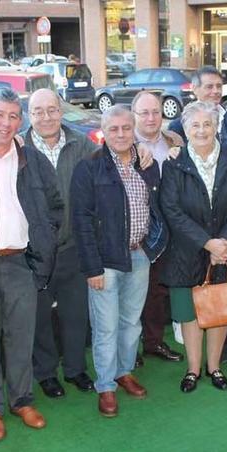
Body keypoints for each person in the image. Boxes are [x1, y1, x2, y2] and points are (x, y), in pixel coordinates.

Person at [0, 88, 64, 440]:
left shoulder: (34, 160)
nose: (6, 123)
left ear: (20, 121)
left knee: (21, 337)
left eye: (13, 116)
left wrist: (43, 249)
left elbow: (54, 208)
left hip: (23, 264)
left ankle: (22, 400)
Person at [70, 105, 168, 417]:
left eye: (127, 128)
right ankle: (106, 386)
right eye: (114, 129)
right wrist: (92, 267)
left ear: (134, 129)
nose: (121, 134)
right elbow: (81, 221)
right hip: (105, 261)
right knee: (106, 327)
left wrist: (153, 246)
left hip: (140, 255)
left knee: (131, 322)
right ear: (104, 132)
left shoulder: (146, 164)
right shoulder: (89, 168)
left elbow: (157, 206)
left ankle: (124, 372)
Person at [160, 100, 227, 392]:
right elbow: (171, 209)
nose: (202, 130)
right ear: (185, 129)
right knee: (190, 312)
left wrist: (225, 242)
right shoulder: (174, 163)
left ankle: (214, 367)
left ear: (217, 127)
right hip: (188, 251)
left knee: (219, 309)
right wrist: (207, 243)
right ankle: (193, 369)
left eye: (207, 124)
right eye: (195, 125)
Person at [24, 88, 98, 398]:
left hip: (73, 247)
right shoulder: (18, 148)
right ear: (29, 116)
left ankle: (75, 369)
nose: (46, 117)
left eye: (52, 109)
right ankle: (45, 373)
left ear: (61, 111)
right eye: (38, 111)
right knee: (39, 318)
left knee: (75, 313)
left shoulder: (82, 145)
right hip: (33, 253)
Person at [132, 90, 184, 363]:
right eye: (144, 112)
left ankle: (153, 342)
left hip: (170, 230)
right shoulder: (122, 143)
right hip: (137, 232)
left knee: (157, 291)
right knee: (133, 292)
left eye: (156, 112)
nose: (151, 118)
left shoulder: (175, 141)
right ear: (134, 116)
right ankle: (131, 348)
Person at [169, 66, 226, 143]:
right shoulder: (178, 126)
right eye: (209, 87)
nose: (216, 91)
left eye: (219, 86)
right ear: (195, 89)